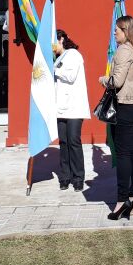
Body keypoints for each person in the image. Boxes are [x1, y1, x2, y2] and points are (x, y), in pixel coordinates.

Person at [99, 16, 133, 220]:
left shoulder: (124, 50)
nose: (114, 33)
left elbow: (116, 81)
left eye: (117, 29)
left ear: (126, 31)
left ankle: (122, 201)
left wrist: (103, 79)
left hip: (127, 106)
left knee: (123, 154)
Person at [54, 29, 90, 192]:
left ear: (61, 39)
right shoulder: (58, 58)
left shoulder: (74, 55)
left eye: (53, 42)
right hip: (60, 107)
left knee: (74, 141)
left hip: (74, 107)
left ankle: (78, 178)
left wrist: (54, 70)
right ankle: (65, 177)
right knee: (63, 142)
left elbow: (70, 76)